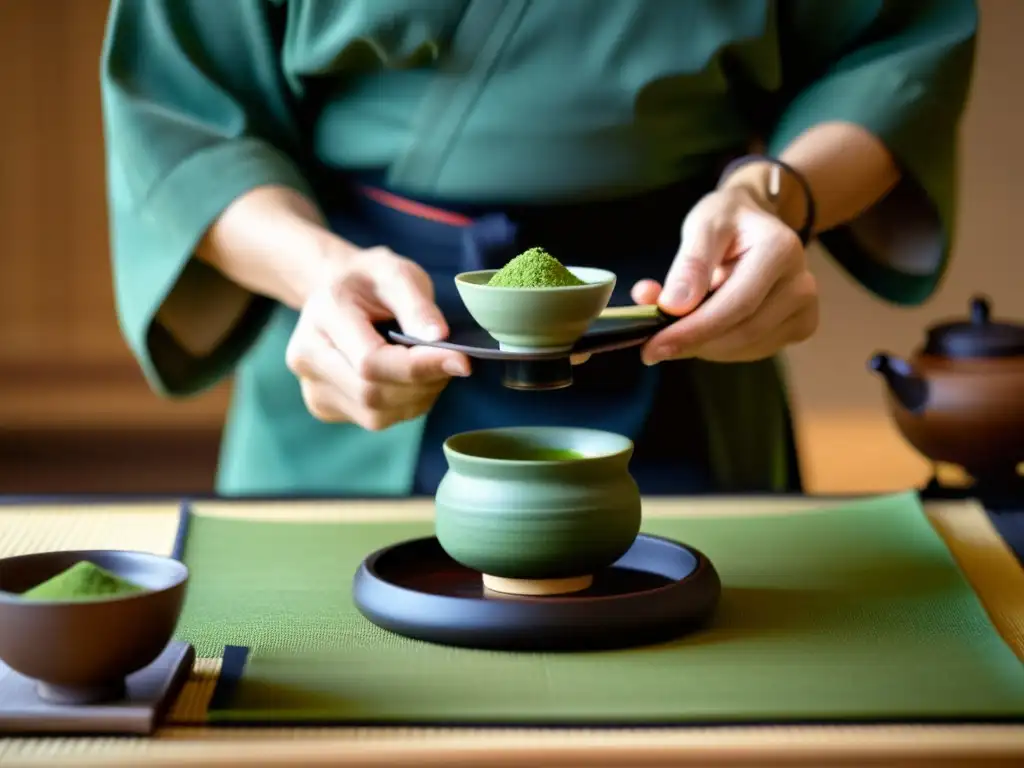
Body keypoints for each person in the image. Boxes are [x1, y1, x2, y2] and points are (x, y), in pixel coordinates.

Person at [99, 0, 977, 497]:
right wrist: (319, 272)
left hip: (678, 301)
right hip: (371, 319)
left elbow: (896, 47)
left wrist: (776, 196)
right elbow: (181, 116)